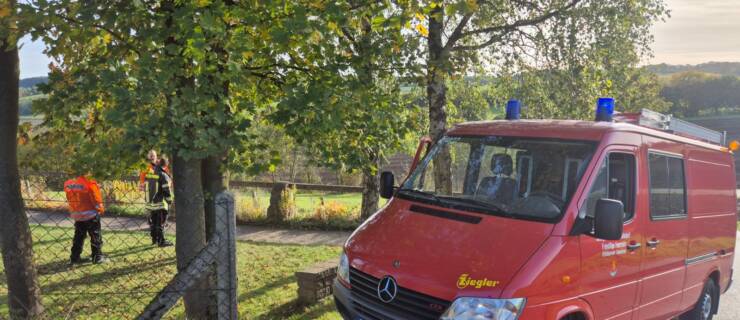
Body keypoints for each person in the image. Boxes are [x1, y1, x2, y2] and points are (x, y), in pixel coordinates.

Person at [64, 173, 108, 265]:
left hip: (77, 214)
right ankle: (97, 256)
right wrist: (100, 208)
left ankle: (74, 257)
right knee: (95, 235)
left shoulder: (69, 183)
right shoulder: (90, 182)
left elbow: (69, 198)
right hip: (90, 213)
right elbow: (95, 197)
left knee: (78, 237)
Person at [146, 156, 173, 247]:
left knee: (154, 222)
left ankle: (154, 239)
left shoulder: (151, 174)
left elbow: (147, 188)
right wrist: (170, 201)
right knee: (161, 223)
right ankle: (161, 241)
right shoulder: (163, 175)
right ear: (166, 164)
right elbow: (167, 190)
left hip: (152, 203)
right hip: (161, 203)